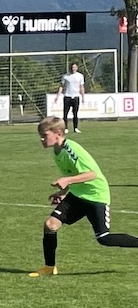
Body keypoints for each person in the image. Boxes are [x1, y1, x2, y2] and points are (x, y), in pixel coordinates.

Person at [29, 116, 138, 277]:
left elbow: (92, 174)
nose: (41, 139)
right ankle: (49, 267)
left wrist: (67, 180)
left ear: (58, 133)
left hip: (95, 195)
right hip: (78, 195)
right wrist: (62, 192)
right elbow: (72, 173)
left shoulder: (71, 149)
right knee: (50, 225)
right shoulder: (56, 151)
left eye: (45, 135)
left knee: (104, 238)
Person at [56, 62, 85, 133]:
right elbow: (61, 86)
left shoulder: (80, 76)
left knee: (75, 113)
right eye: (72, 67)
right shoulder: (65, 76)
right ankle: (65, 128)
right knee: (65, 113)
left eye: (74, 67)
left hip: (76, 96)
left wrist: (83, 96)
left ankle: (75, 128)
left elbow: (81, 87)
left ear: (77, 68)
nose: (73, 69)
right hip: (67, 96)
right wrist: (57, 96)